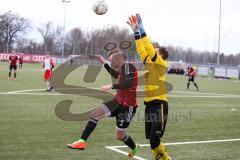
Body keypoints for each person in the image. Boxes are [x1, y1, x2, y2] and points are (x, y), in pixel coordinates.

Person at [67, 49, 139, 158]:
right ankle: (81, 141)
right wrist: (104, 63)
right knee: (95, 114)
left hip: (127, 107)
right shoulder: (122, 69)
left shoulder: (129, 67)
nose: (111, 63)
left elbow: (128, 84)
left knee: (120, 136)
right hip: (117, 101)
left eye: (111, 61)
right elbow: (116, 75)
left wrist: (111, 86)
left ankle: (134, 148)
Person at [127, 14, 172, 160]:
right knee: (152, 141)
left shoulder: (160, 63)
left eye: (155, 49)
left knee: (155, 139)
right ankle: (161, 157)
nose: (152, 49)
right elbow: (142, 49)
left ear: (161, 55)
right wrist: (135, 32)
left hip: (159, 104)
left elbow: (147, 46)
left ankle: (165, 158)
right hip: (149, 105)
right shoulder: (149, 63)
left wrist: (141, 28)